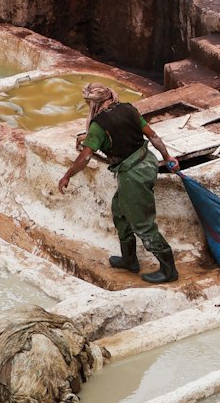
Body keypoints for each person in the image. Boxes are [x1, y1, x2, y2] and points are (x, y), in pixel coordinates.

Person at [58, 83, 180, 284]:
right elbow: (153, 136)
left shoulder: (99, 124)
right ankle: (129, 259)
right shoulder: (128, 109)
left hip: (134, 173)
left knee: (142, 223)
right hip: (146, 161)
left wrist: (67, 175)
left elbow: (85, 157)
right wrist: (167, 156)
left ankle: (169, 270)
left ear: (93, 103)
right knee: (120, 211)